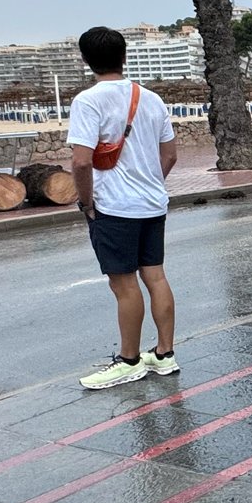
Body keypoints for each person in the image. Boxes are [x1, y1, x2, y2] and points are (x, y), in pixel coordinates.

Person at [67, 26, 179, 390]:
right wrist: (152, 183)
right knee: (156, 277)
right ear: (124, 55)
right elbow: (170, 154)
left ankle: (129, 360)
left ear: (86, 60)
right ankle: (164, 355)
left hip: (115, 207)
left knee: (124, 284)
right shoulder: (151, 99)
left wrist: (86, 202)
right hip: (152, 203)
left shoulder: (88, 101)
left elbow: (81, 162)